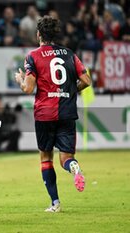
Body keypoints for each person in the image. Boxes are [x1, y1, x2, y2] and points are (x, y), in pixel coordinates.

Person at [15, 16, 91, 212]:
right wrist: (71, 90)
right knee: (66, 157)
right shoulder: (69, 54)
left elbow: (28, 89)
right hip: (67, 112)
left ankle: (55, 203)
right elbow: (87, 80)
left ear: (38, 34)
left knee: (46, 159)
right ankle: (74, 167)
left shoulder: (33, 56)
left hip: (44, 114)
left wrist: (20, 79)